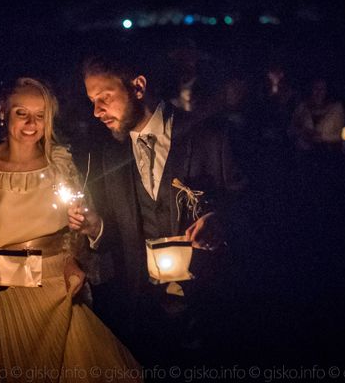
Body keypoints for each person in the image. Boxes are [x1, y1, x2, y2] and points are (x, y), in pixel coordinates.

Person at [0, 77, 141, 381]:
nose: (31, 123)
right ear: (2, 111)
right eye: (21, 113)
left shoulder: (59, 162)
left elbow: (77, 224)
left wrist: (76, 260)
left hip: (61, 288)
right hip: (8, 296)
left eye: (40, 115)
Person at [68, 52, 246, 366]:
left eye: (105, 98)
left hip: (209, 310)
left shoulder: (208, 136)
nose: (96, 111)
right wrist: (96, 227)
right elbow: (119, 234)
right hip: (144, 317)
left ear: (138, 87)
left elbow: (248, 205)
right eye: (92, 100)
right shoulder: (110, 155)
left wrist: (220, 222)